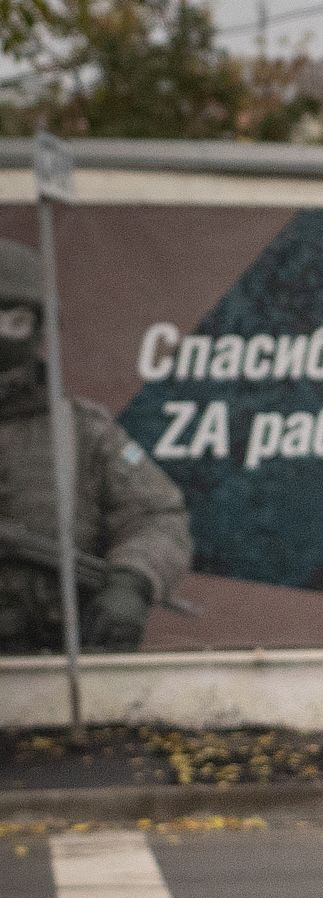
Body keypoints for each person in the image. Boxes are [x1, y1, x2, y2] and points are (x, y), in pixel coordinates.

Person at [0, 239, 191, 653]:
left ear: (38, 328)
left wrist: (132, 581)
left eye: (14, 321)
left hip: (54, 662)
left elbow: (157, 516)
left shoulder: (83, 431)